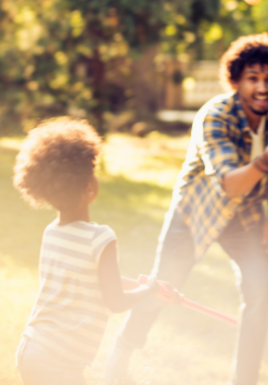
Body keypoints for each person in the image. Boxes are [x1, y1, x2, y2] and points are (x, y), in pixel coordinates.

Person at [103, 33, 268, 385]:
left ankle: (245, 381)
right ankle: (123, 349)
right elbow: (230, 184)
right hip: (196, 212)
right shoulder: (215, 116)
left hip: (248, 217)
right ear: (235, 80)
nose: (262, 88)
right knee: (160, 290)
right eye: (253, 78)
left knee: (260, 295)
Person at [12, 117, 163, 385]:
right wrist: (148, 290)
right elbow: (115, 301)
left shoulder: (52, 233)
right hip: (58, 363)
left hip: (32, 347)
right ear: (88, 187)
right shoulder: (100, 238)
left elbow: (86, 278)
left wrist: (149, 285)